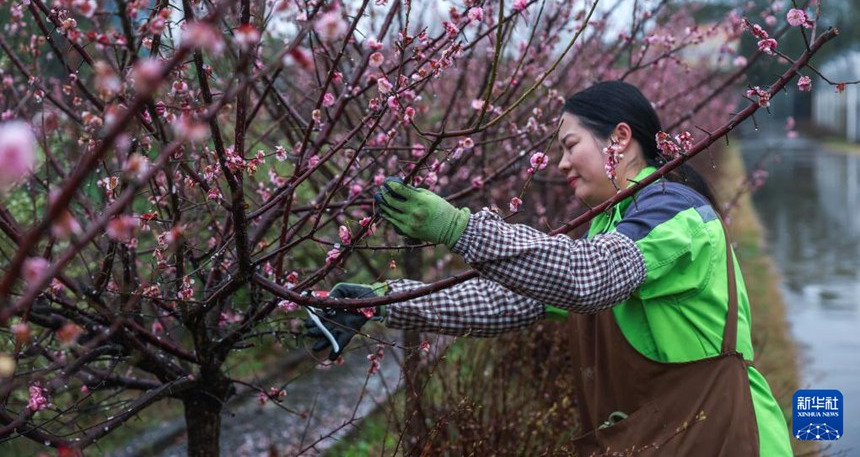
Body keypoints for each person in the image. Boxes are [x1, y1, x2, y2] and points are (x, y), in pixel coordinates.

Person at [305, 81, 793, 456]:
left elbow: (591, 276)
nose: (560, 163)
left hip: (728, 437)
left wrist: (458, 227)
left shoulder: (673, 210)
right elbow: (504, 302)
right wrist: (383, 301)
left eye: (569, 143)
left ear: (619, 138)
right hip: (673, 438)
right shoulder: (613, 225)